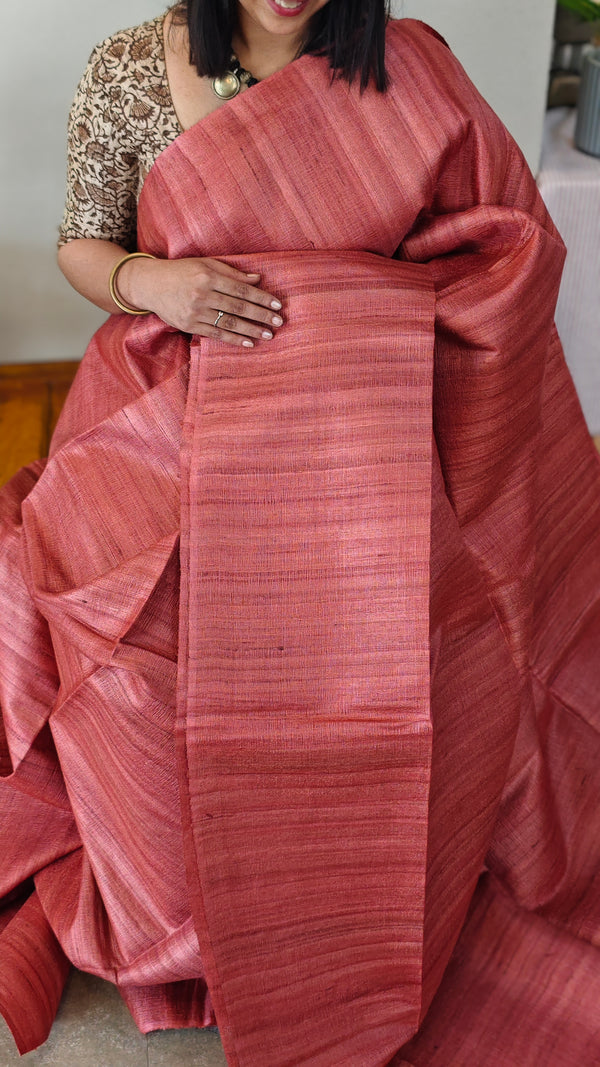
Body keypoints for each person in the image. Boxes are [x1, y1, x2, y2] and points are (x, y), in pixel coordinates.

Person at [1, 2, 600, 1064]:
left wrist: (357, 309)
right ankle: (187, 932)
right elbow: (82, 245)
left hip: (362, 438)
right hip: (165, 421)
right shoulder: (134, 65)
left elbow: (505, 253)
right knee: (135, 665)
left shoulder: (407, 70)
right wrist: (157, 283)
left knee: (432, 647)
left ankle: (358, 918)